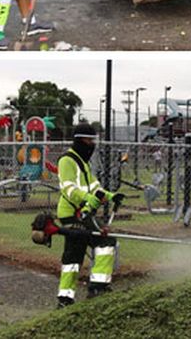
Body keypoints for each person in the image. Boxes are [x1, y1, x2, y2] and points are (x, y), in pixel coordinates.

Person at [56, 123, 124, 307]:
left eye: (93, 140)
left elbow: (94, 187)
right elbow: (68, 188)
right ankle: (97, 287)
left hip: (83, 213)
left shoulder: (83, 163)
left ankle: (65, 298)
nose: (92, 144)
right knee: (105, 241)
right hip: (73, 214)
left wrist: (110, 196)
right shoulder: (66, 161)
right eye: (89, 140)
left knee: (73, 255)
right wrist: (87, 199)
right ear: (79, 140)